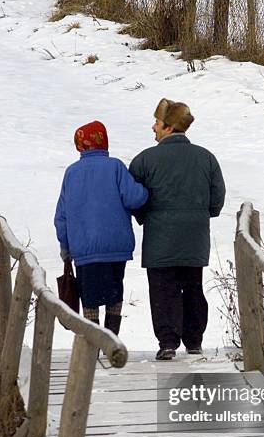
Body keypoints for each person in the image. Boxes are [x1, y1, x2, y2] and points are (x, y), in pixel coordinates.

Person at [129, 99, 226, 360]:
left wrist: (144, 216)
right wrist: (202, 215)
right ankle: (194, 340)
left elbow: (132, 196)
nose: (153, 127)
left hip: (160, 238)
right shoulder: (206, 158)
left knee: (163, 289)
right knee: (193, 287)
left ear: (169, 127)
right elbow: (217, 198)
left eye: (158, 123)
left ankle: (168, 341)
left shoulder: (144, 160)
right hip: (195, 237)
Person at [54, 120, 148, 335]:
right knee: (115, 293)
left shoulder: (71, 173)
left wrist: (65, 247)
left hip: (84, 250)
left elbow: (62, 216)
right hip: (116, 247)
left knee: (89, 296)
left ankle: (92, 343)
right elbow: (134, 198)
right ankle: (112, 338)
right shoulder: (115, 166)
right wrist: (146, 190)